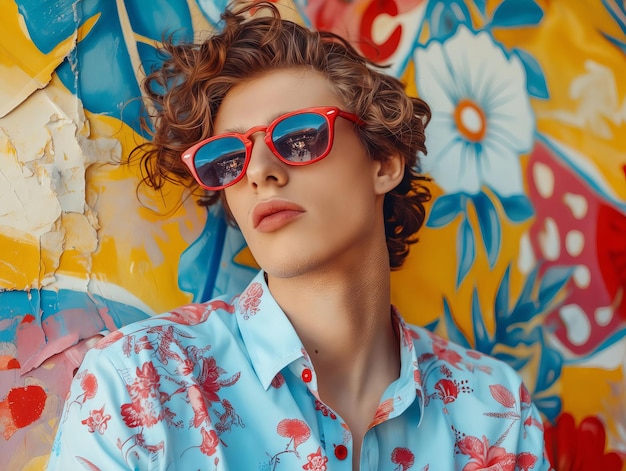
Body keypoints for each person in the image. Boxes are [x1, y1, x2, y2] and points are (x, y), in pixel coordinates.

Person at [47, 3, 551, 470]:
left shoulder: (496, 413)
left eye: (300, 137)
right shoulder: (137, 383)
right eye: (229, 157)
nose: (259, 171)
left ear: (385, 161)